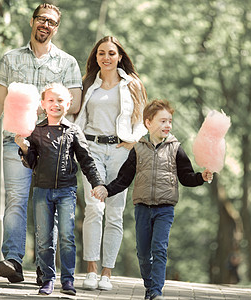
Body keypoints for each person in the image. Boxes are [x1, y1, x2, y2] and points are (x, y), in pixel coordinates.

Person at [0, 3, 82, 284]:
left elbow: (76, 103)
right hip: (15, 140)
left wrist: (41, 108)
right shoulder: (10, 59)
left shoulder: (67, 62)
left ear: (56, 28)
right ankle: (13, 260)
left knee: (47, 205)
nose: (46, 25)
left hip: (52, 145)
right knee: (16, 200)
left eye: (52, 22)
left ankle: (45, 267)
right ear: (32, 21)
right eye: (42, 20)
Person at [92, 99, 213, 300]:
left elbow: (186, 178)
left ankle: (156, 291)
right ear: (148, 123)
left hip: (165, 209)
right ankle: (150, 288)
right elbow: (124, 179)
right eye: (163, 121)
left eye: (170, 121)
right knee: (143, 253)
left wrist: (201, 177)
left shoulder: (176, 149)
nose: (168, 125)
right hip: (142, 208)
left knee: (159, 248)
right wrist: (106, 189)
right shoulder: (138, 149)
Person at [15, 83, 104, 295]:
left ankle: (68, 280)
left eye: (60, 101)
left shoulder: (73, 131)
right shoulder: (35, 131)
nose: (56, 104)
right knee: (44, 238)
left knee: (66, 237)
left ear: (68, 104)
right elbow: (31, 162)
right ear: (43, 104)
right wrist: (24, 148)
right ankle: (47, 279)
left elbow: (87, 160)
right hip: (41, 191)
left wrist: (98, 183)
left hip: (66, 191)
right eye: (51, 101)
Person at [74, 36, 148, 291]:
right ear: (96, 57)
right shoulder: (87, 85)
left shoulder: (132, 85)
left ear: (119, 56)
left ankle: (107, 273)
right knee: (94, 208)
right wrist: (78, 146)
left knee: (115, 214)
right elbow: (77, 118)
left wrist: (133, 141)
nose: (106, 57)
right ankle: (92, 270)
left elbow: (142, 118)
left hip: (120, 152)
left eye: (111, 53)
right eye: (101, 53)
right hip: (91, 149)